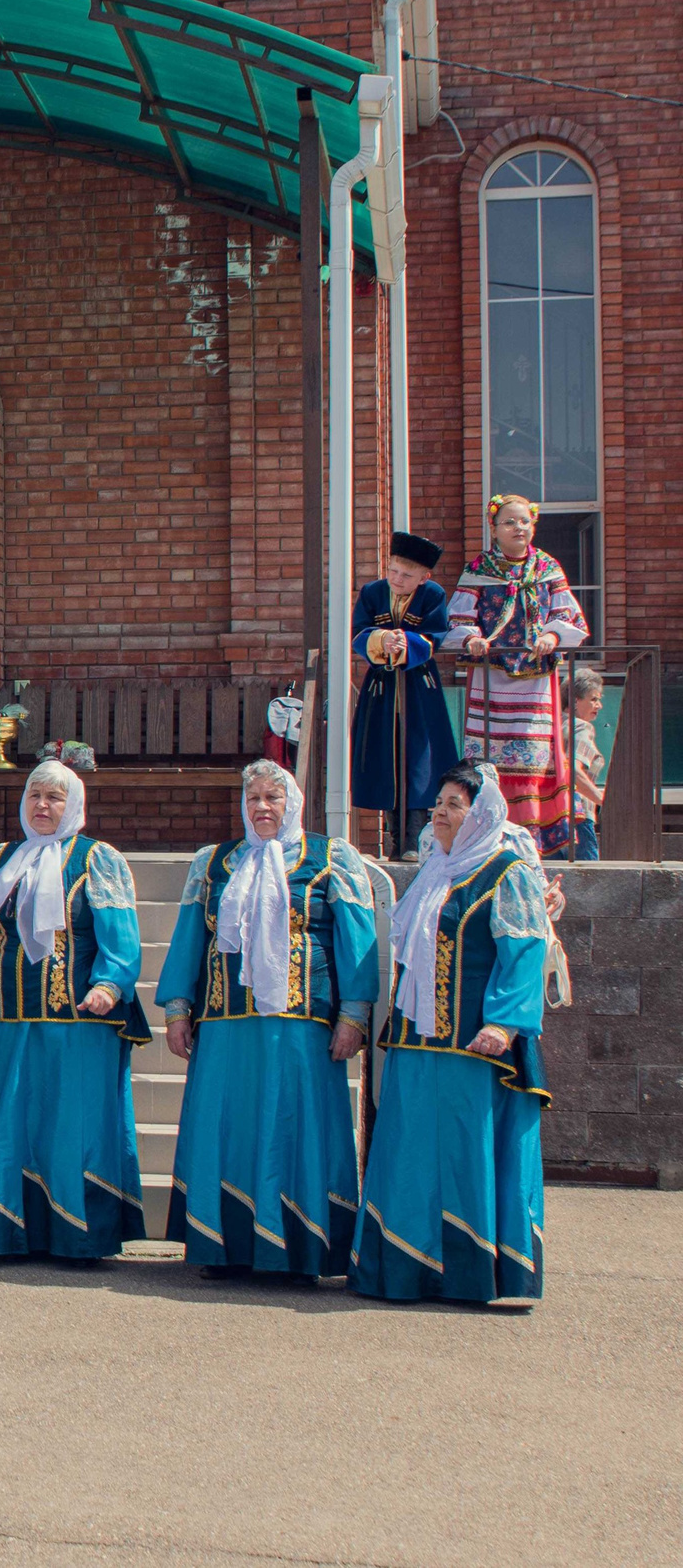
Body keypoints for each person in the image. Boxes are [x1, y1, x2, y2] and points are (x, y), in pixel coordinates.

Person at [158, 761, 377, 1280]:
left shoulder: (330, 859)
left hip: (300, 1026)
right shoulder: (214, 863)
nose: (262, 806)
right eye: (253, 797)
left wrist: (354, 1013)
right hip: (226, 1024)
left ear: (293, 803)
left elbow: (356, 941)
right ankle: (223, 1247)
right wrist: (176, 1009)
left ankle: (298, 1251)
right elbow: (192, 938)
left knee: (293, 1129)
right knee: (227, 1128)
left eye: (273, 798)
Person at [352, 763, 552, 1304]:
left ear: (481, 814)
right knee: (409, 1153)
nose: (439, 812)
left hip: (473, 1047)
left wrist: (503, 1022)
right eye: (437, 802)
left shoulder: (506, 873)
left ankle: (468, 1276)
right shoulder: (432, 873)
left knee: (466, 1154)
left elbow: (525, 952)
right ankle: (405, 1271)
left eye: (453, 804)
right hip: (418, 1046)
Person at [0, 760, 148, 1259]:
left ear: (73, 804)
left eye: (55, 798)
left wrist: (109, 984)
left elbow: (121, 938)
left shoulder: (97, 859)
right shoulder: (4, 860)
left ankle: (75, 1236)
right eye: (35, 795)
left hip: (79, 1020)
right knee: (10, 1121)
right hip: (13, 1018)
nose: (42, 806)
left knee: (70, 1124)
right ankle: (4, 1231)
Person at [450, 495, 589, 855]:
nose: (519, 528)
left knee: (532, 760)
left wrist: (551, 636)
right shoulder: (479, 568)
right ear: (494, 528)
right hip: (491, 677)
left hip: (535, 682)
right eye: (510, 522)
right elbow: (459, 618)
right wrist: (472, 638)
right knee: (489, 756)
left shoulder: (547, 567)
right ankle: (486, 835)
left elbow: (568, 616)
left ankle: (531, 839)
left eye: (525, 521)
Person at [351, 530, 459, 854]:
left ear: (424, 577)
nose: (397, 578)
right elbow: (359, 632)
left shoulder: (433, 596)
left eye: (407, 574)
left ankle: (414, 838)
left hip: (419, 686)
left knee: (420, 761)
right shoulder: (371, 592)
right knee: (386, 758)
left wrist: (406, 644)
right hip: (382, 688)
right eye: (393, 570)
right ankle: (395, 838)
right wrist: (381, 641)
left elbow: (434, 636)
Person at [569, 667, 606, 862]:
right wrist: (604, 800)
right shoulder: (581, 727)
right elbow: (573, 771)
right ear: (575, 700)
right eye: (593, 699)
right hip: (579, 815)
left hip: (552, 819)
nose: (598, 706)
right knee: (590, 881)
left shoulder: (552, 724)